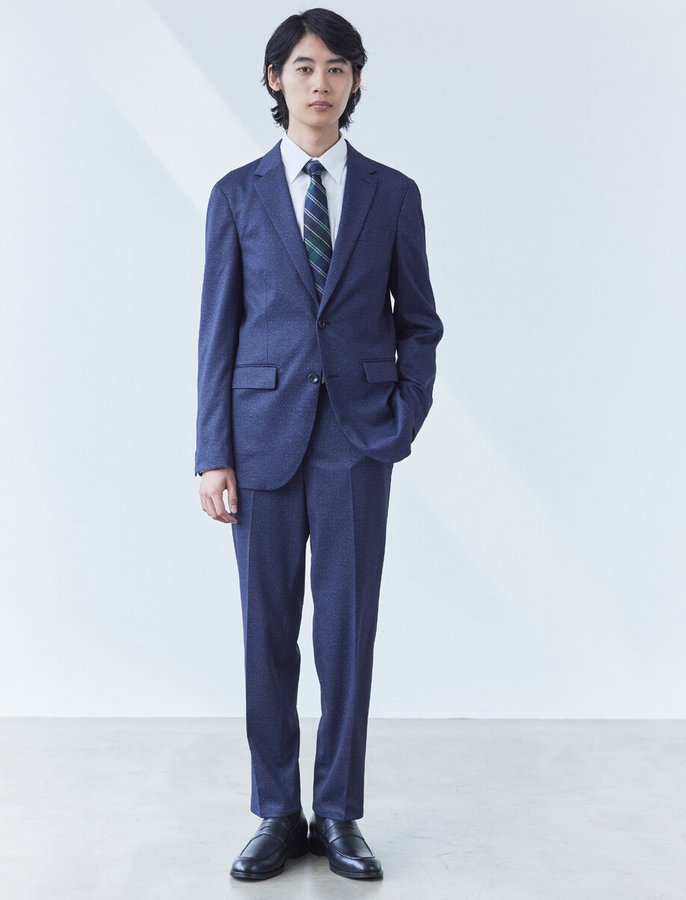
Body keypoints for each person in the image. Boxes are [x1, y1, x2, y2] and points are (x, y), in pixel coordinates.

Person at [195, 7, 443, 882]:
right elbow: (217, 332)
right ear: (276, 79)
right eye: (304, 67)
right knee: (266, 635)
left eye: (337, 68)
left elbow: (419, 321)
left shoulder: (392, 194)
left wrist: (402, 417)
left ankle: (338, 812)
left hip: (356, 443)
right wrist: (211, 452)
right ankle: (276, 811)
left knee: (345, 634)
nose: (320, 82)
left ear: (355, 81)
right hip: (259, 438)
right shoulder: (236, 195)